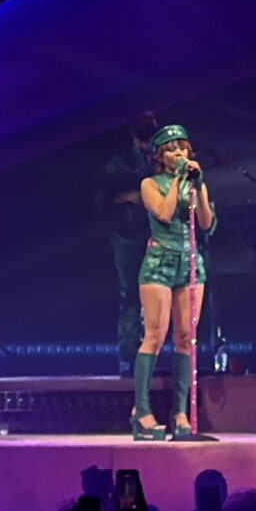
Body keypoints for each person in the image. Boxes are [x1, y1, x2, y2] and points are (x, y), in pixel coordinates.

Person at [132, 123, 216, 440]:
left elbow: (206, 223)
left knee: (185, 337)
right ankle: (141, 412)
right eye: (170, 150)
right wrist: (180, 179)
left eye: (181, 148)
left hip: (191, 263)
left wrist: (200, 186)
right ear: (161, 156)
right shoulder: (150, 184)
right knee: (155, 334)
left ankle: (180, 412)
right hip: (159, 263)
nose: (177, 154)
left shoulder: (196, 184)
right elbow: (165, 214)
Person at [96, 110, 160, 377]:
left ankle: (151, 356)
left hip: (158, 235)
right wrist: (129, 196)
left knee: (156, 298)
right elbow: (101, 199)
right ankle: (129, 358)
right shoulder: (119, 162)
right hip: (128, 235)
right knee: (132, 296)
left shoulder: (162, 160)